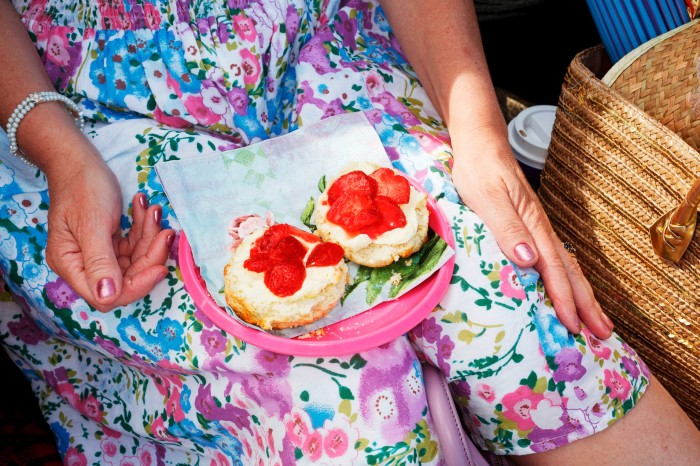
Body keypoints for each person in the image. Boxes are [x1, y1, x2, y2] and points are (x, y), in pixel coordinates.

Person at [0, 0, 698, 464]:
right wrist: (57, 146)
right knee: (327, 390)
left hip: (316, 53)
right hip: (85, 110)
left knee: (505, 304)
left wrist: (481, 142)